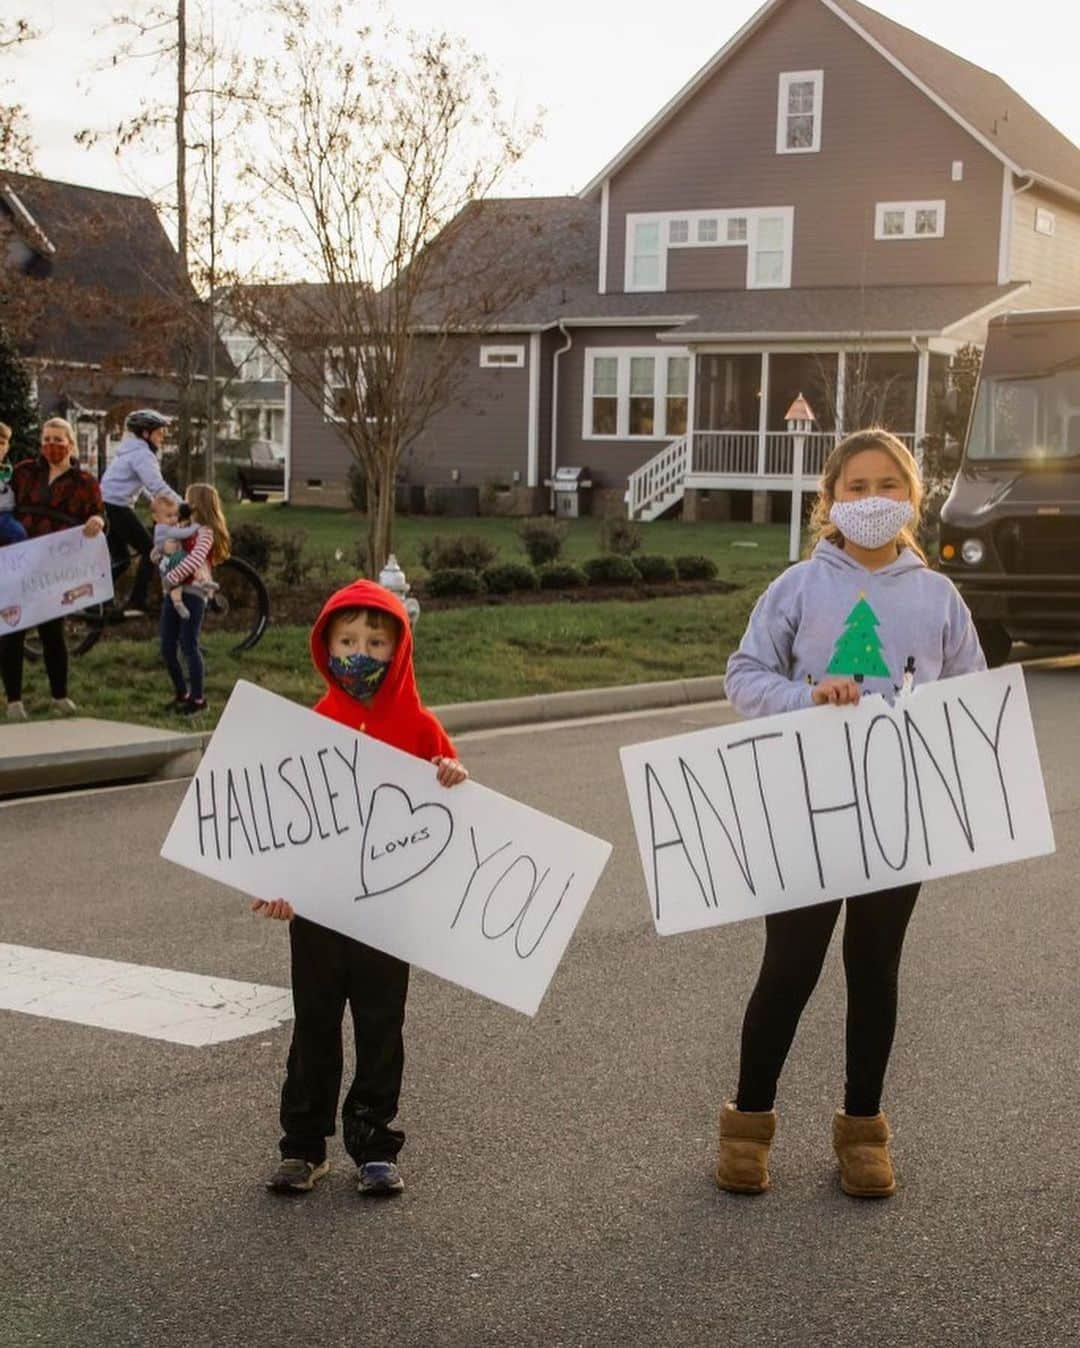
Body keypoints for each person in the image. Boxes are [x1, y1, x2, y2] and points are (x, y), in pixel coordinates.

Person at [716, 428, 985, 1200]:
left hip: (897, 819)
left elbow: (971, 693)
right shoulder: (799, 586)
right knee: (790, 969)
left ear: (913, 498)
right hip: (805, 812)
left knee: (875, 972)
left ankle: (863, 1131)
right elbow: (744, 677)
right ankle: (749, 1125)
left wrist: (928, 714)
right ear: (830, 499)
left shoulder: (938, 596)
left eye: (888, 485)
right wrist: (808, 696)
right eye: (856, 486)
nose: (873, 500)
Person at [252, 578, 469, 1198]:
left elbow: (452, 808)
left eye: (376, 642)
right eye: (347, 640)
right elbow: (287, 822)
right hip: (318, 913)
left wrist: (451, 773)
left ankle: (374, 1144)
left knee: (381, 1027)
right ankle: (303, 1146)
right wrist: (277, 886)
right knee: (313, 1025)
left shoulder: (421, 728)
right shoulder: (313, 724)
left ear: (399, 649)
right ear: (326, 646)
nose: (360, 653)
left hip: (387, 914)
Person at [1, 417, 106, 721]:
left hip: (55, 567)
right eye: (47, 439)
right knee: (12, 631)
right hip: (18, 560)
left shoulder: (84, 482)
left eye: (58, 440)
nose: (52, 445)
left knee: (52, 634)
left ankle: (59, 695)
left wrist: (97, 522)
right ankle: (14, 701)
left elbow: (98, 514)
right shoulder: (23, 473)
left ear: (70, 443)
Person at [99, 408, 180, 616]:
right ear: (145, 433)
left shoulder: (131, 451)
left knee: (122, 560)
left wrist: (155, 502)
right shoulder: (142, 454)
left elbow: (142, 485)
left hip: (109, 505)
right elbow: (157, 485)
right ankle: (137, 601)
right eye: (159, 433)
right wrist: (184, 505)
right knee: (150, 551)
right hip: (117, 507)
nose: (162, 437)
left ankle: (99, 602)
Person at [158, 482, 229, 715]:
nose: (183, 504)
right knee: (167, 646)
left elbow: (195, 559)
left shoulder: (205, 533)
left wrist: (172, 576)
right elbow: (171, 548)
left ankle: (198, 699)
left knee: (189, 644)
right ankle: (182, 692)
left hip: (193, 593)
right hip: (174, 591)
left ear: (198, 504)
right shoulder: (183, 526)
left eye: (187, 500)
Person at [150, 493, 218, 621]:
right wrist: (195, 527)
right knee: (177, 584)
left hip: (175, 558)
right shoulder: (164, 528)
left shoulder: (167, 526)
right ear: (156, 517)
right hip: (170, 561)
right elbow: (183, 533)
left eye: (175, 515)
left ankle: (203, 583)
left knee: (190, 569)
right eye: (169, 516)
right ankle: (179, 603)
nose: (174, 519)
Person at [0, 421, 28, 546]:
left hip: (8, 514)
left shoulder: (9, 470)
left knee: (19, 532)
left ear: (7, 447)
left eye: (2, 443)